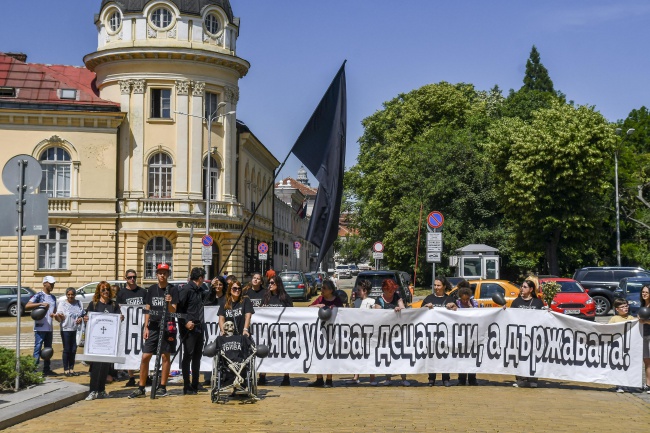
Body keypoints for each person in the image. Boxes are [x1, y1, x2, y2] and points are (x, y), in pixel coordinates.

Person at [129, 263, 179, 399]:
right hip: (153, 326)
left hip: (168, 325)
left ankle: (162, 386)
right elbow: (148, 308)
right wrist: (146, 326)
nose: (162, 275)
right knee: (145, 356)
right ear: (156, 274)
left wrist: (169, 303)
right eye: (160, 273)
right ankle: (141, 387)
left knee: (164, 356)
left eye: (165, 273)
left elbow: (174, 310)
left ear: (168, 275)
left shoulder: (173, 290)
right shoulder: (151, 289)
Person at [84, 281, 123, 400]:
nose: (105, 291)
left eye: (107, 289)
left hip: (109, 340)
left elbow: (118, 318)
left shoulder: (114, 305)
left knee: (105, 365)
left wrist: (121, 318)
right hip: (96, 340)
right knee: (96, 366)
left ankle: (101, 390)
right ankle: (92, 390)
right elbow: (88, 317)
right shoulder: (94, 304)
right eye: (103, 290)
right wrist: (86, 319)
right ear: (99, 292)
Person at [258, 275, 294, 386]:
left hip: (282, 331)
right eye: (269, 283)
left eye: (272, 283)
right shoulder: (266, 297)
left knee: (284, 354)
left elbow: (291, 313)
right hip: (268, 330)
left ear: (278, 284)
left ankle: (286, 377)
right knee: (265, 352)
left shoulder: (285, 297)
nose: (270, 285)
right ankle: (262, 376)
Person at [177, 267, 208, 395]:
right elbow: (179, 309)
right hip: (189, 328)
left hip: (199, 326)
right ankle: (186, 384)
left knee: (197, 356)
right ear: (200, 278)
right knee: (188, 355)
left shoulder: (200, 290)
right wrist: (185, 323)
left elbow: (209, 299)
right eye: (203, 277)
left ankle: (195, 383)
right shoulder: (186, 289)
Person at [421, 276, 457, 386]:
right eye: (435, 285)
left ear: (444, 286)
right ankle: (431, 378)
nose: (436, 287)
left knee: (445, 355)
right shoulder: (429, 298)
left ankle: (446, 378)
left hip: (445, 333)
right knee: (432, 355)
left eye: (438, 285)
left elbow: (457, 312)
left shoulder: (450, 298)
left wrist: (453, 306)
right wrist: (426, 307)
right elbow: (420, 313)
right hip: (431, 332)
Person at [509, 279, 544, 388]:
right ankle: (521, 379)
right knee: (519, 357)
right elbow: (510, 316)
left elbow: (543, 318)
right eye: (521, 287)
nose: (522, 289)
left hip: (533, 335)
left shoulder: (538, 302)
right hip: (519, 335)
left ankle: (533, 378)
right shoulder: (516, 302)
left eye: (524, 287)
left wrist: (547, 312)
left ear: (531, 289)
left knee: (533, 356)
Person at [308, 279, 343, 388]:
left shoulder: (337, 301)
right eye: (322, 288)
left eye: (324, 288)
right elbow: (308, 308)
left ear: (331, 290)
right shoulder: (320, 299)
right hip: (319, 331)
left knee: (330, 354)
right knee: (317, 353)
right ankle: (319, 378)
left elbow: (343, 312)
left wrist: (335, 309)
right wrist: (317, 306)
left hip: (332, 332)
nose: (322, 290)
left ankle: (329, 379)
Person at [373, 279, 408, 386]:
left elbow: (403, 308)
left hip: (398, 331)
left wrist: (400, 308)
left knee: (401, 354)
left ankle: (403, 378)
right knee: (387, 354)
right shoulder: (379, 300)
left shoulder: (397, 297)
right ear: (384, 289)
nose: (391, 292)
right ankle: (388, 378)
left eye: (393, 290)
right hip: (385, 332)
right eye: (389, 291)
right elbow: (377, 314)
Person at [116, 269, 147, 387]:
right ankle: (131, 377)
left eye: (134, 277)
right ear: (126, 279)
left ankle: (145, 376)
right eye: (129, 277)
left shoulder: (143, 292)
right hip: (128, 326)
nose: (132, 279)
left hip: (141, 325)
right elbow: (119, 308)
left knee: (143, 351)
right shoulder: (122, 293)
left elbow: (147, 307)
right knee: (128, 350)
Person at [25, 276, 59, 376]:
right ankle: (34, 370)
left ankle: (46, 369)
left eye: (53, 283)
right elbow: (27, 306)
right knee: (38, 348)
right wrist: (41, 304)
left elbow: (54, 312)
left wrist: (55, 315)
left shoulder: (53, 297)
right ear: (44, 284)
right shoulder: (39, 295)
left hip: (49, 328)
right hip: (40, 327)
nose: (52, 285)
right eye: (50, 283)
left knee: (48, 350)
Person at [348, 280, 376, 385]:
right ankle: (356, 376)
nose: (358, 292)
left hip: (369, 333)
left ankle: (372, 377)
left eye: (359, 290)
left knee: (370, 355)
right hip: (358, 332)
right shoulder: (357, 302)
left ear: (365, 291)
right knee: (357, 354)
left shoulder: (372, 301)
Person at [608, 298, 638, 393]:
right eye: (623, 307)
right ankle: (619, 384)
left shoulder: (631, 318)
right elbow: (608, 330)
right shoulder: (614, 319)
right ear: (617, 309)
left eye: (626, 306)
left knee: (627, 366)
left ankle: (626, 384)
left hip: (628, 347)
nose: (626, 308)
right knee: (618, 366)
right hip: (617, 347)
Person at [55, 287, 84, 377]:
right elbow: (59, 317)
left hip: (76, 329)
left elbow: (82, 314)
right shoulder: (62, 304)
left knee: (74, 349)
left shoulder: (79, 303)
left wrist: (81, 319)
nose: (70, 296)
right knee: (67, 349)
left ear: (75, 295)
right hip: (66, 329)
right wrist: (59, 316)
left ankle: (72, 369)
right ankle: (66, 369)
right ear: (66, 295)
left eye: (72, 294)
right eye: (68, 294)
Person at [455, 286, 479, 386]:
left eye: (466, 299)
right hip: (460, 333)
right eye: (463, 299)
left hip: (472, 334)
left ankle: (472, 378)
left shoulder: (474, 303)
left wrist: (470, 306)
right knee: (462, 357)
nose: (464, 301)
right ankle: (461, 379)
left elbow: (478, 313)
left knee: (472, 357)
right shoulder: (457, 303)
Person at [639, 285, 650, 394]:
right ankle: (648, 384)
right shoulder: (642, 305)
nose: (644, 294)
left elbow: (645, 320)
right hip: (644, 336)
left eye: (646, 292)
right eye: (643, 292)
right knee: (646, 361)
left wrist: (646, 322)